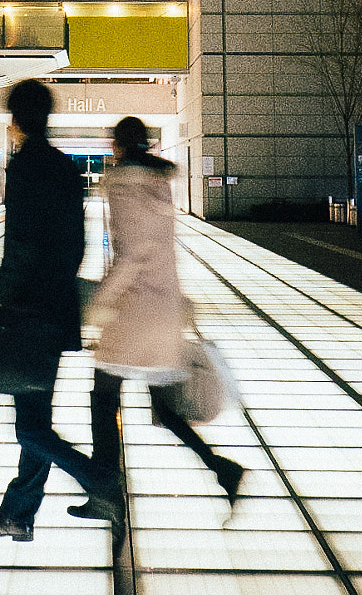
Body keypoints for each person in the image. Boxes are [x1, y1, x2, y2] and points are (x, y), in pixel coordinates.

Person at [0, 78, 123, 542]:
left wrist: (4, 300)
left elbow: (20, 245)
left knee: (31, 428)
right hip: (56, 310)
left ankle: (100, 481)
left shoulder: (25, 167)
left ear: (16, 119)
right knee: (36, 418)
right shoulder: (65, 169)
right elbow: (76, 244)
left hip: (26, 310)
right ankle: (18, 515)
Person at [81, 116, 242, 516]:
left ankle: (106, 492)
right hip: (161, 308)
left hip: (133, 310)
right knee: (162, 405)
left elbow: (133, 254)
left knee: (103, 400)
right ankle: (221, 468)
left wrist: (101, 301)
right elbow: (159, 249)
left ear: (117, 145)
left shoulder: (124, 185)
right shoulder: (158, 184)